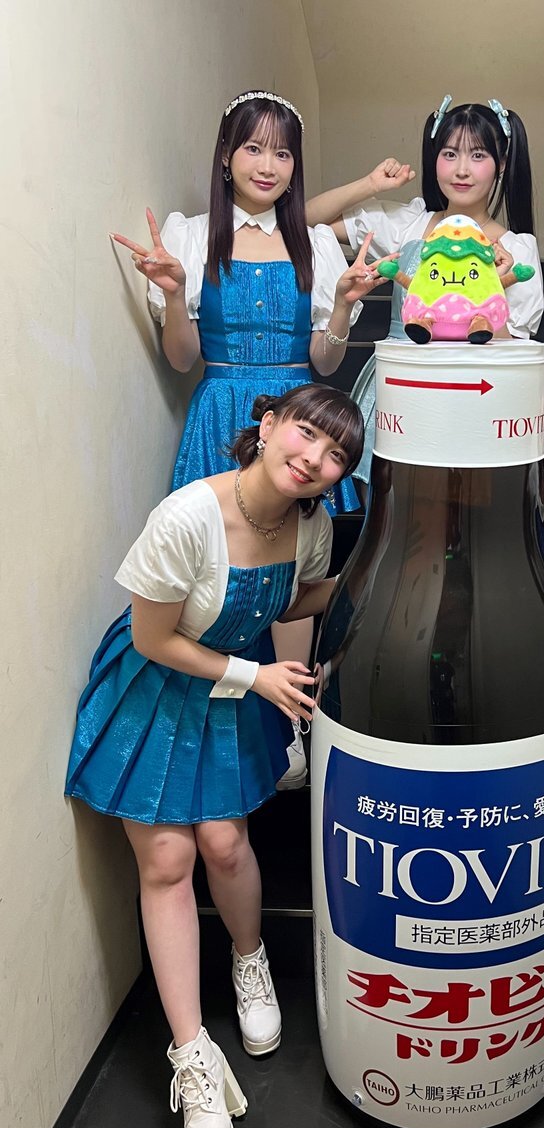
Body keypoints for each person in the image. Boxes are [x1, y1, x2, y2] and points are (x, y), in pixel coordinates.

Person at [66, 385, 364, 1128]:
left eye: (337, 454)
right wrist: (256, 677)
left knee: (227, 845)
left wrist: (373, 575)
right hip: (159, 687)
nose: (315, 459)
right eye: (305, 433)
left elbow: (291, 600)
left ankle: (248, 958)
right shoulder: (187, 515)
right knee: (168, 861)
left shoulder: (310, 524)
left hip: (231, 688)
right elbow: (152, 637)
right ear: (267, 426)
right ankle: (193, 1060)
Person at [112, 91, 389, 786]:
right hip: (221, 408)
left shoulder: (314, 241)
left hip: (297, 417)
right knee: (217, 568)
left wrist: (344, 309)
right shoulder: (192, 236)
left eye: (284, 152)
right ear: (226, 156)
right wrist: (173, 293)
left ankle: (288, 724)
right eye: (254, 148)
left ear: (297, 166)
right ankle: (210, 724)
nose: (268, 165)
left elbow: (325, 361)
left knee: (288, 569)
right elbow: (182, 359)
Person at [305, 96, 544, 502]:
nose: (462, 169)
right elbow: (305, 220)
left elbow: (513, 354)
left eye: (478, 155)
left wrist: (494, 285)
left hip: (473, 398)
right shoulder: (407, 224)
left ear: (502, 163)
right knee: (387, 518)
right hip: (399, 388)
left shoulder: (517, 249)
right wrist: (370, 185)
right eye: (449, 154)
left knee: (455, 523)